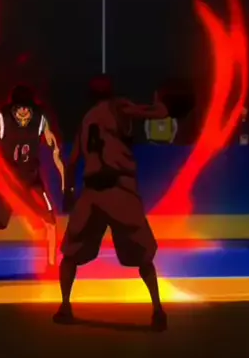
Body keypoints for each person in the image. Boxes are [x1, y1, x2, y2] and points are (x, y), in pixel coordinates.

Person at [54, 75, 191, 332]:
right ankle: (157, 310)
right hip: (119, 189)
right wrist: (163, 102)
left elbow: (71, 163)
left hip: (92, 192)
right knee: (143, 256)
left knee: (70, 254)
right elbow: (156, 113)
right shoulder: (118, 107)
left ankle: (64, 307)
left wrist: (69, 193)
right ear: (111, 92)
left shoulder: (86, 120)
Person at [0, 84, 64, 288]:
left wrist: (64, 177)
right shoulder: (2, 121)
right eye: (20, 108)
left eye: (27, 108)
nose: (23, 112)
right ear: (13, 108)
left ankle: (52, 266)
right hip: (5, 180)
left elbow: (55, 150)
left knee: (51, 222)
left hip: (30, 179)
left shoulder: (40, 121)